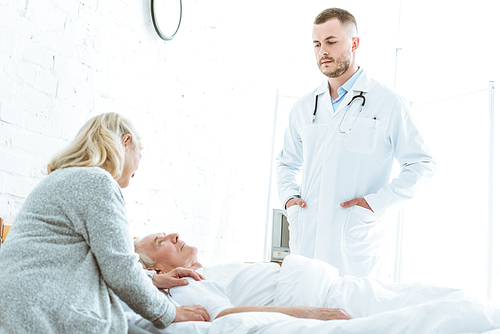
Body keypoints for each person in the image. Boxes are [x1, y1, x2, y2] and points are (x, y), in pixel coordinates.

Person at [0, 113, 209, 334]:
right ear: (125, 142)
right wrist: (170, 313)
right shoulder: (97, 181)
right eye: (140, 154)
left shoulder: (60, 178)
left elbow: (91, 260)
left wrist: (153, 279)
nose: (136, 170)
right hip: (44, 311)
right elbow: (120, 269)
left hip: (16, 305)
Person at [276, 8, 436, 278]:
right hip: (307, 243)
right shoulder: (304, 107)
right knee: (304, 312)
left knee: (353, 314)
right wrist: (290, 200)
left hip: (355, 245)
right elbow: (286, 163)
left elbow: (422, 164)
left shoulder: (387, 103)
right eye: (317, 44)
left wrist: (376, 204)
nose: (322, 51)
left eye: (331, 42)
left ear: (354, 43)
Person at [133, 232, 353, 322]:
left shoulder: (209, 271)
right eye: (160, 242)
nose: (174, 235)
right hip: (325, 299)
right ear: (156, 271)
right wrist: (310, 313)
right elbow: (226, 316)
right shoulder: (184, 283)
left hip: (330, 284)